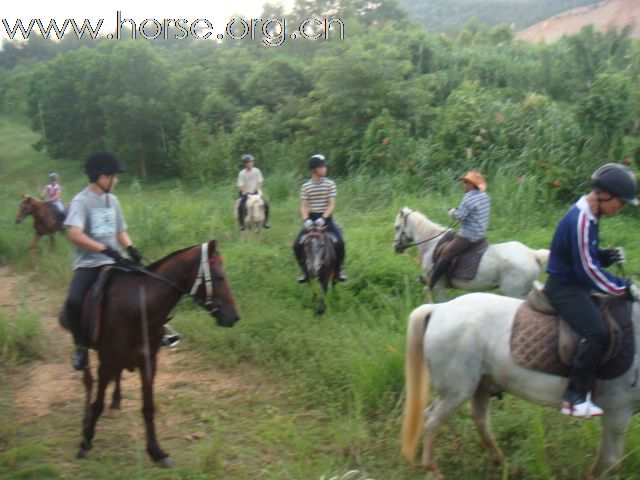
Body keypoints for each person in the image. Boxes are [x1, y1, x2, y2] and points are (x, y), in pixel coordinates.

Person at [545, 163, 640, 418]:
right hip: (564, 287)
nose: (620, 209)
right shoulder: (582, 219)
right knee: (596, 331)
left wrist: (606, 255)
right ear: (604, 195)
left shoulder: (590, 214)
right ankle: (575, 396)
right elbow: (587, 271)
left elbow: (586, 254)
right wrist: (624, 288)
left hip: (575, 281)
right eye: (620, 203)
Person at [62, 151, 146, 370]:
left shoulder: (113, 200)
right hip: (89, 263)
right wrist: (104, 249)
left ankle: (157, 332)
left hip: (115, 259)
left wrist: (131, 248)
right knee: (73, 302)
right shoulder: (81, 201)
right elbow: (75, 234)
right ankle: (80, 346)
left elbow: (120, 231)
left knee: (145, 284)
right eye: (114, 176)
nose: (116, 180)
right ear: (101, 177)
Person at [428, 171, 491, 290]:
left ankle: (431, 282)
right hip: (481, 235)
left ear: (472, 184)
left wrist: (452, 212)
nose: (464, 185)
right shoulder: (485, 197)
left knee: (447, 252)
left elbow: (461, 215)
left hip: (468, 236)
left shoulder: (468, 198)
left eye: (466, 182)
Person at [293, 153, 347, 282]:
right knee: (296, 245)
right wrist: (306, 219)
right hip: (311, 220)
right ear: (313, 170)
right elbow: (304, 205)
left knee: (340, 242)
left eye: (324, 167)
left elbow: (331, 204)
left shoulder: (330, 184)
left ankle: (338, 270)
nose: (324, 169)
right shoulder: (306, 186)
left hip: (327, 219)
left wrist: (323, 218)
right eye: (321, 167)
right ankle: (304, 270)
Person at [236, 154, 269, 229]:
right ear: (245, 164)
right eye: (249, 162)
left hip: (256, 193)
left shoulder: (257, 171)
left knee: (266, 203)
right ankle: (242, 224)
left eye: (251, 162)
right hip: (246, 194)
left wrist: (256, 189)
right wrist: (246, 192)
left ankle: (265, 222)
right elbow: (240, 186)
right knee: (240, 206)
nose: (251, 163)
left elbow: (260, 182)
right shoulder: (241, 174)